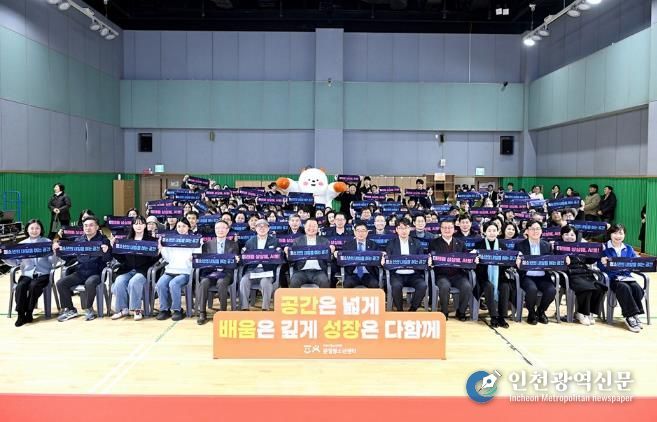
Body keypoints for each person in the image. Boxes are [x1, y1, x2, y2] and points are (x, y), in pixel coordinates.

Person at [55, 216, 112, 322]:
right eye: (85, 226)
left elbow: (108, 259)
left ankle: (89, 308)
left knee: (90, 283)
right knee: (61, 283)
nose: (88, 228)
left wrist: (106, 252)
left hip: (96, 273)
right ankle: (70, 309)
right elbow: (69, 258)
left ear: (97, 227)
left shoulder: (104, 241)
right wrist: (58, 251)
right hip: (80, 272)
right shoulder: (79, 240)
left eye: (91, 225)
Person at [1, 219, 55, 326]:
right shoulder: (21, 244)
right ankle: (21, 314)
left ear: (41, 230)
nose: (34, 230)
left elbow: (53, 262)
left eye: (37, 228)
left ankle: (29, 312)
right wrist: (3, 256)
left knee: (34, 286)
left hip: (42, 274)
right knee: (21, 286)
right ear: (27, 230)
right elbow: (15, 262)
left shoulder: (47, 242)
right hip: (27, 274)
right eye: (32, 228)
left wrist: (54, 252)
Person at [110, 216, 159, 321]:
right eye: (136, 224)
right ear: (132, 226)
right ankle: (122, 309)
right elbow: (121, 258)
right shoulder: (126, 240)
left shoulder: (152, 241)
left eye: (141, 223)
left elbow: (154, 260)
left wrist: (158, 251)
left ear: (145, 225)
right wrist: (113, 247)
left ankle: (136, 309)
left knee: (134, 281)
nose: (138, 226)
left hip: (143, 271)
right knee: (119, 281)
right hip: (127, 269)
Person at [598, 224, 645, 333]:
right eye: (615, 233)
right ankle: (629, 317)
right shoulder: (603, 248)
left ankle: (635, 314)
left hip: (626, 277)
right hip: (612, 278)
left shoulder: (629, 248)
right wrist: (603, 263)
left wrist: (638, 262)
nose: (618, 236)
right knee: (624, 288)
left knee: (637, 288)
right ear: (610, 234)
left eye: (621, 233)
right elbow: (599, 267)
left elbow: (633, 264)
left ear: (624, 235)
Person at [155, 218, 202, 321]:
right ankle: (164, 309)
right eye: (179, 226)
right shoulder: (171, 240)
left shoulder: (195, 240)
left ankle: (177, 310)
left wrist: (194, 257)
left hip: (185, 272)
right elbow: (167, 259)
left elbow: (198, 254)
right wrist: (162, 248)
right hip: (170, 270)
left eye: (184, 226)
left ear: (188, 227)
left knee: (174, 283)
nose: (181, 229)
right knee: (160, 284)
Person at [559, 225, 605, 326]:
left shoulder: (581, 247)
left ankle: (589, 313)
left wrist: (597, 255)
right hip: (569, 274)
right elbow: (554, 261)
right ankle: (581, 313)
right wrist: (562, 258)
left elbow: (589, 260)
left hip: (584, 273)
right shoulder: (557, 247)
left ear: (576, 236)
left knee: (599, 287)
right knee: (586, 288)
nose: (569, 237)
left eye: (572, 235)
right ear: (562, 236)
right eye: (566, 234)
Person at [196, 220, 239, 325]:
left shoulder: (233, 245)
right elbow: (204, 262)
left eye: (223, 228)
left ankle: (222, 312)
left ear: (227, 230)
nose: (220, 230)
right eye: (218, 228)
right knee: (204, 282)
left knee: (221, 282)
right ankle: (202, 312)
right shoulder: (207, 245)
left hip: (226, 272)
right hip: (210, 272)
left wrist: (237, 260)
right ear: (214, 230)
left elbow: (235, 261)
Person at [429, 219, 473, 320]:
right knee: (444, 286)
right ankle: (444, 312)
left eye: (450, 228)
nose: (447, 230)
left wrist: (473, 259)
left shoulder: (460, 243)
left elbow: (466, 259)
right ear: (440, 229)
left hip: (458, 274)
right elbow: (431, 258)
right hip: (441, 274)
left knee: (467, 286)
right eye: (444, 228)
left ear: (454, 229)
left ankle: (461, 312)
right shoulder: (434, 243)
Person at [516, 220, 556, 325]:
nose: (535, 231)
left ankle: (541, 311)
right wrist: (517, 263)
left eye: (538, 229)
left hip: (542, 276)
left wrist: (564, 260)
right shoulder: (520, 245)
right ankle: (531, 312)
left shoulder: (547, 245)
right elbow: (514, 263)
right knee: (532, 289)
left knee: (551, 290)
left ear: (541, 231)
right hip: (527, 276)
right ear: (527, 231)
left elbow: (553, 260)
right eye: (532, 229)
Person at [474, 222, 511, 328]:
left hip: (500, 276)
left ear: (498, 232)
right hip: (483, 277)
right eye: (489, 231)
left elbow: (507, 265)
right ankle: (493, 316)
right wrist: (474, 260)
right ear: (484, 232)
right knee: (489, 286)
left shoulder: (502, 246)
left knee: (505, 286)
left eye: (494, 230)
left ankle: (502, 317)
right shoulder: (479, 246)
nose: (492, 233)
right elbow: (475, 265)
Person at [385, 218, 427, 312]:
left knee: (422, 285)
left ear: (410, 229)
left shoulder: (417, 243)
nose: (404, 231)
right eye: (401, 228)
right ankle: (400, 310)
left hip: (413, 274)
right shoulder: (391, 243)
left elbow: (421, 259)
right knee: (396, 286)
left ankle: (413, 309)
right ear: (396, 229)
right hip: (397, 274)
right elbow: (387, 260)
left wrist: (427, 260)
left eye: (406, 228)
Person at [239, 219, 281, 311]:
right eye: (259, 226)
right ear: (255, 228)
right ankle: (244, 308)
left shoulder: (274, 241)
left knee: (265, 283)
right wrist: (242, 254)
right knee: (244, 281)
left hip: (267, 271)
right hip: (252, 270)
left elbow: (279, 257)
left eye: (264, 226)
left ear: (268, 228)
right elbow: (244, 257)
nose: (262, 228)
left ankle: (265, 309)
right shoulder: (250, 241)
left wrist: (279, 253)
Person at [288, 218, 333, 288]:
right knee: (294, 282)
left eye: (314, 226)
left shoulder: (324, 241)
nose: (311, 228)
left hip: (319, 271)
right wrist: (288, 254)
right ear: (304, 227)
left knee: (324, 281)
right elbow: (291, 261)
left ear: (318, 228)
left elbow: (329, 260)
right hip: (301, 271)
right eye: (309, 226)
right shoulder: (297, 241)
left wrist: (331, 252)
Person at [340, 222, 380, 288]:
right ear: (354, 232)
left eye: (363, 231)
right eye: (358, 231)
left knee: (374, 284)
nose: (361, 233)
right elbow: (342, 260)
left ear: (367, 232)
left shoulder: (373, 245)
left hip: (368, 274)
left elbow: (378, 259)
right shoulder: (347, 245)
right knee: (347, 284)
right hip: (352, 274)